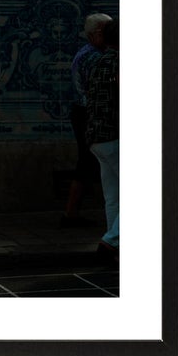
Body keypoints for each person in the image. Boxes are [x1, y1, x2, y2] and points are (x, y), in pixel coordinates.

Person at [61, 13, 113, 226]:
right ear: (94, 34)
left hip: (84, 112)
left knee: (88, 161)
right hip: (88, 114)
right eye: (106, 33)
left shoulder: (89, 53)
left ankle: (72, 213)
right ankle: (71, 213)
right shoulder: (94, 57)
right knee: (87, 161)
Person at [86, 17, 120, 263]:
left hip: (96, 136)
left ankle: (117, 244)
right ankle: (111, 241)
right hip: (117, 135)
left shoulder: (96, 61)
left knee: (114, 196)